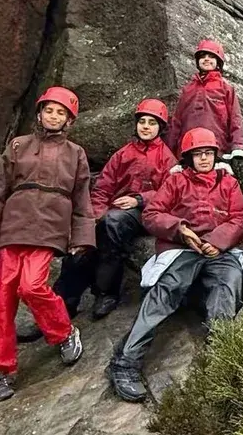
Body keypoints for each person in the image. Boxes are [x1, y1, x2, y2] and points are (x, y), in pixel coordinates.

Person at [0, 87, 93, 403]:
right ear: (39, 113)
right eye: (49, 110)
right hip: (13, 228)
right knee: (1, 300)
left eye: (61, 113)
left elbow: (81, 200)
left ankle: (63, 332)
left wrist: (82, 237)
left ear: (69, 121)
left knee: (31, 287)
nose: (54, 116)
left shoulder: (76, 154)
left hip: (48, 229)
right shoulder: (18, 145)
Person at [106, 127, 243, 403]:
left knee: (227, 285)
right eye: (198, 154)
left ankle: (221, 357)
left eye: (208, 153)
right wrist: (181, 230)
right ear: (188, 157)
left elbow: (240, 217)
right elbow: (152, 213)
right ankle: (125, 362)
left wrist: (218, 240)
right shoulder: (176, 182)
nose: (204, 158)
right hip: (182, 250)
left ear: (215, 155)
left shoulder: (228, 183)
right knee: (167, 290)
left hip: (219, 252)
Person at [51, 99, 177, 321]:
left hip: (145, 213)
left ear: (161, 128)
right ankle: (61, 305)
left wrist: (138, 199)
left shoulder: (167, 158)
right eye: (142, 122)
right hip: (113, 212)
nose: (146, 127)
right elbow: (103, 188)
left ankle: (106, 293)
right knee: (83, 239)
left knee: (114, 224)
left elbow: (171, 192)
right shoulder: (122, 154)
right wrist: (94, 218)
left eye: (152, 123)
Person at [165, 40, 243, 171]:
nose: (206, 59)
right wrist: (168, 150)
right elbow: (176, 122)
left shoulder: (226, 89)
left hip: (216, 150)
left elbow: (235, 119)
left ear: (218, 62)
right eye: (203, 56)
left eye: (212, 56)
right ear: (197, 61)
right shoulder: (187, 89)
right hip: (187, 151)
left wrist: (238, 146)